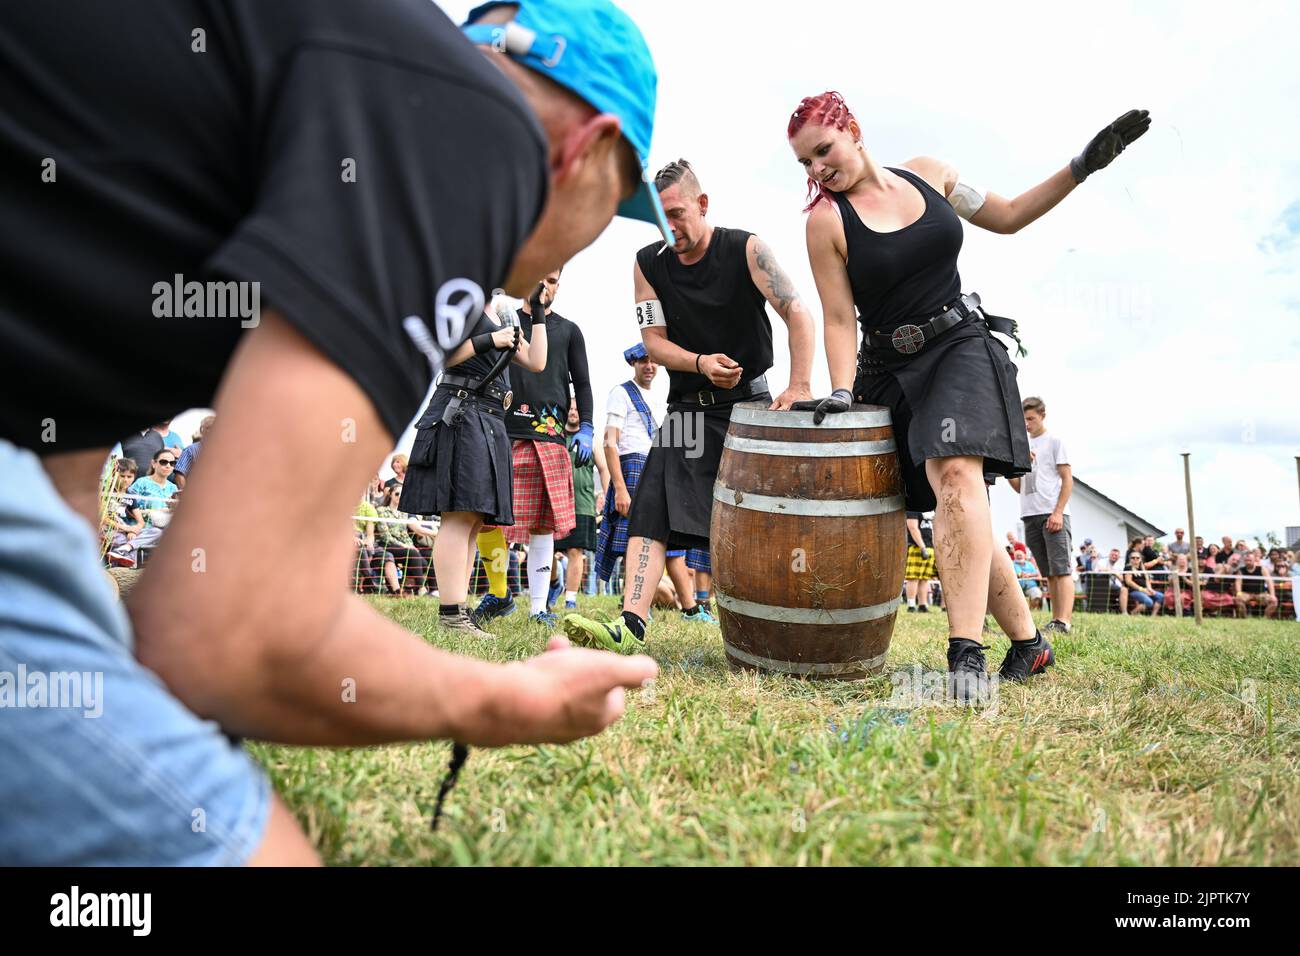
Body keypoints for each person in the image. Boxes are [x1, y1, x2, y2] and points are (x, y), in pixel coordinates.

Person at [1, 0, 665, 865]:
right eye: (614, 209)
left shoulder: (305, 74)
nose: (565, 260)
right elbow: (219, 638)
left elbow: (58, 443)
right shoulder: (478, 129)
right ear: (582, 150)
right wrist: (508, 703)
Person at [786, 89, 1149, 696]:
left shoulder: (931, 175)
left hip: (959, 345)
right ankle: (1030, 645)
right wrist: (843, 391)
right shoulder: (825, 222)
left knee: (955, 473)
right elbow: (839, 318)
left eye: (823, 150)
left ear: (853, 129)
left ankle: (964, 656)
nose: (817, 169)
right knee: (960, 503)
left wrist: (1081, 167)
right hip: (887, 369)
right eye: (804, 163)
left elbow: (1007, 216)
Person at [564, 158, 816, 651]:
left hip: (748, 406)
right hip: (687, 411)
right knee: (651, 508)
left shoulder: (745, 248)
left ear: (702, 205)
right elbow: (653, 342)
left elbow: (797, 311)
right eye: (660, 217)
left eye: (677, 213)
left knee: (758, 518)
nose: (670, 227)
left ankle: (778, 626)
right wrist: (700, 363)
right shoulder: (647, 263)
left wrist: (800, 385)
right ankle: (630, 625)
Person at [402, 285, 550, 632]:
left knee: (472, 519)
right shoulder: (460, 301)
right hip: (462, 410)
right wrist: (490, 341)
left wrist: (538, 309)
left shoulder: (500, 312)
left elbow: (537, 361)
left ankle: (458, 610)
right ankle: (451, 614)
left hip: (489, 416)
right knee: (458, 516)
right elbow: (437, 355)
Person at [498, 268, 594, 626]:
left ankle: (538, 607)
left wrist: (586, 427)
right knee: (487, 520)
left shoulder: (569, 331)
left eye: (552, 279)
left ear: (559, 284)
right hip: (501, 430)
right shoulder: (504, 321)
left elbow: (582, 384)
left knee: (542, 526)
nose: (544, 285)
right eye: (539, 277)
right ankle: (497, 593)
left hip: (549, 436)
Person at [1010, 396, 1075, 634]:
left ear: (1042, 415)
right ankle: (1055, 619)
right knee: (1048, 571)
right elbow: (1018, 486)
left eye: (1031, 419)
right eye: (1024, 419)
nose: (1027, 424)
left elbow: (1068, 480)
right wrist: (1011, 467)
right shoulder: (1022, 445)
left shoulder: (1054, 441)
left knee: (1061, 568)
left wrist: (1058, 512)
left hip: (1052, 512)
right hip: (1030, 513)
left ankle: (1063, 621)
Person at [556, 396, 609, 610]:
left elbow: (604, 469)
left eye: (578, 408)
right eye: (570, 407)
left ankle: (570, 599)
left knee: (576, 551)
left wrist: (608, 497)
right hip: (555, 503)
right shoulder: (555, 435)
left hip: (583, 504)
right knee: (547, 549)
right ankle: (552, 584)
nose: (574, 411)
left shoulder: (592, 440)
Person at [904, 511, 937, 612]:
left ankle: (923, 605)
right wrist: (922, 547)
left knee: (925, 579)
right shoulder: (913, 508)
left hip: (930, 547)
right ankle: (911, 605)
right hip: (916, 546)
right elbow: (912, 527)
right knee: (913, 578)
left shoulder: (931, 510)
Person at [173, 414, 215, 489]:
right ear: (202, 430)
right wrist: (185, 495)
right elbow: (179, 475)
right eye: (209, 428)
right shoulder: (191, 450)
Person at [1234, 551, 1278, 618]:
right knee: (1238, 599)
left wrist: (1272, 595)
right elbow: (1238, 583)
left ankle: (1265, 619)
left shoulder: (1262, 569)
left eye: (1250, 560)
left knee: (1274, 601)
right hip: (1246, 594)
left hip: (1261, 594)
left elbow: (1269, 582)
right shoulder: (1241, 570)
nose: (1248, 562)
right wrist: (1239, 594)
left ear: (1254, 559)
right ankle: (1244, 619)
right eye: (1246, 560)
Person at [1123, 551, 1164, 615]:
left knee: (1161, 596)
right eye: (1133, 558)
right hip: (1134, 591)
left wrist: (1150, 589)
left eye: (1137, 558)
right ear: (1130, 559)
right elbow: (1129, 582)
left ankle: (1153, 616)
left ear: (1140, 559)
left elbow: (1147, 580)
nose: (1135, 559)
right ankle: (1133, 613)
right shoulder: (1128, 568)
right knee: (1149, 602)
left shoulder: (1143, 568)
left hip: (1145, 589)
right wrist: (1142, 589)